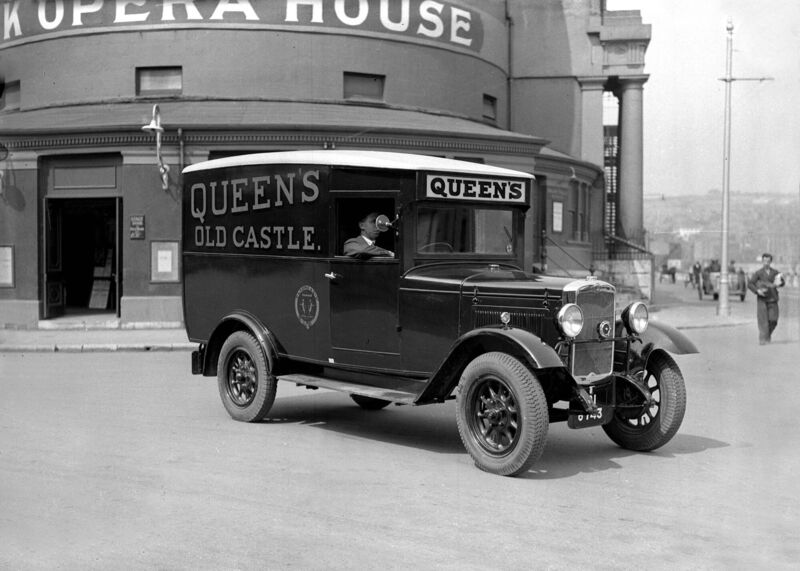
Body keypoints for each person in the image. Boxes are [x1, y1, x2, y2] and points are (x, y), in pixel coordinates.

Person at [747, 253, 785, 345]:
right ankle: (763, 339)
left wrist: (780, 282)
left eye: (768, 261)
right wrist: (757, 291)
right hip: (762, 299)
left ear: (770, 262)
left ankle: (767, 335)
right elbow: (750, 284)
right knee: (763, 320)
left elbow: (782, 283)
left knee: (773, 320)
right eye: (764, 261)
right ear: (762, 261)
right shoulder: (758, 273)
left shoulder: (775, 272)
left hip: (773, 298)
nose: (766, 263)